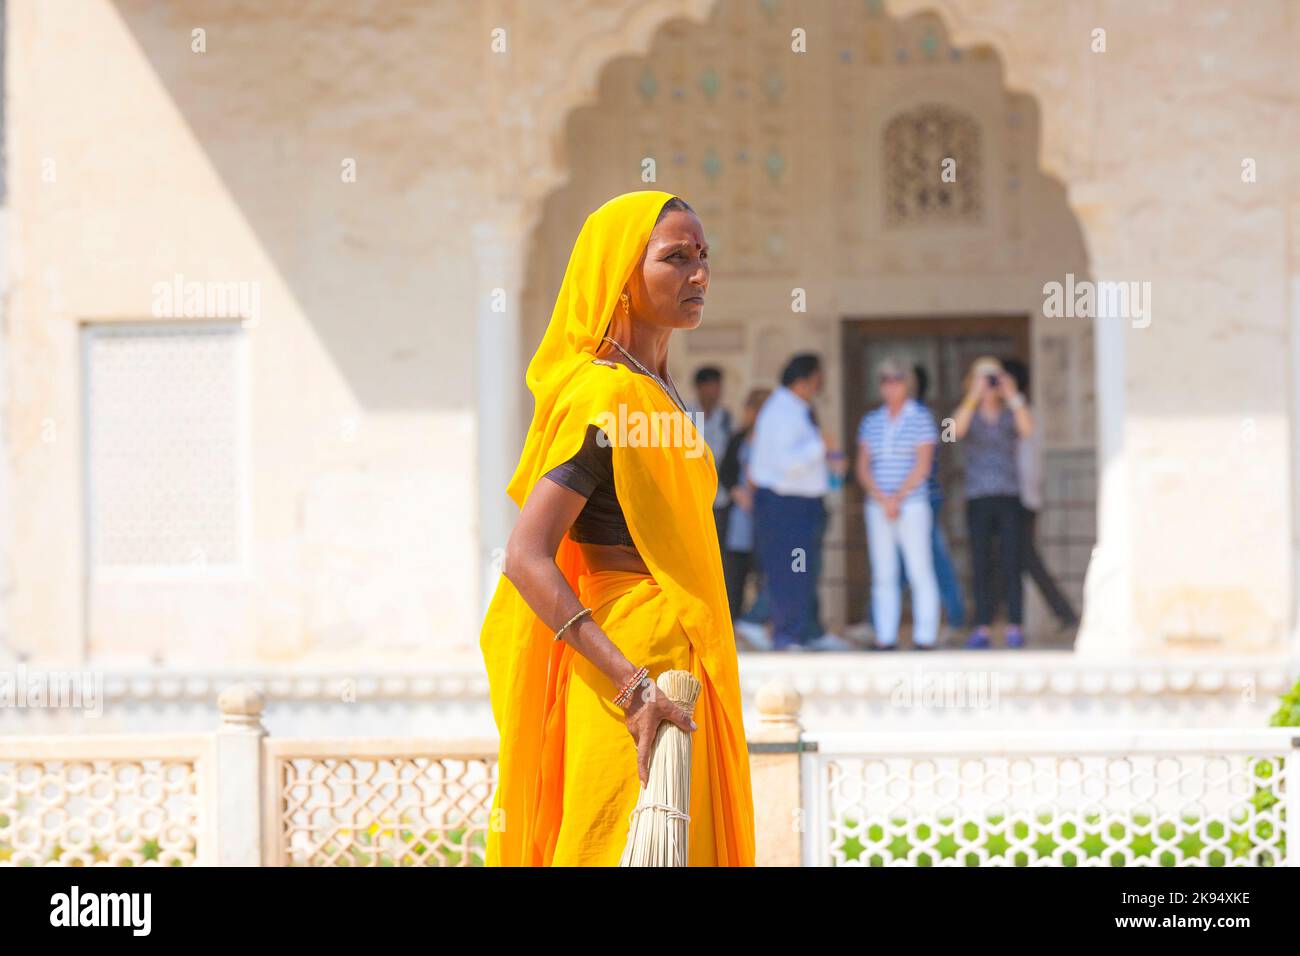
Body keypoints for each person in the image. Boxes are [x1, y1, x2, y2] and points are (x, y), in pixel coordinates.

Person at [479, 191, 755, 866]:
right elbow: (525, 556)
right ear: (622, 277)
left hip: (678, 661)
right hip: (630, 674)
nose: (699, 275)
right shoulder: (605, 397)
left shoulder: (657, 392)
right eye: (676, 258)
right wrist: (633, 688)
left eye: (703, 257)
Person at [746, 354, 851, 652]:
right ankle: (786, 635)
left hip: (803, 504)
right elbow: (787, 463)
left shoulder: (796, 409)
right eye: (818, 379)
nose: (821, 386)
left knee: (806, 570)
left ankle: (808, 632)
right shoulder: (780, 412)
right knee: (789, 570)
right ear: (804, 379)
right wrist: (821, 445)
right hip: (784, 504)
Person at [855, 358, 940, 650]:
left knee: (920, 569)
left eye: (897, 379)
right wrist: (882, 498)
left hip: (912, 503)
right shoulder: (871, 421)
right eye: (885, 379)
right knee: (883, 572)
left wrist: (897, 497)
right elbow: (863, 467)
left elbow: (923, 465)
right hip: (878, 506)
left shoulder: (921, 418)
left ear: (907, 384)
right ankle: (885, 636)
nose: (890, 385)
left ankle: (925, 636)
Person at [951, 355, 1034, 649]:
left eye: (993, 377)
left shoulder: (1011, 412)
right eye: (983, 376)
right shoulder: (968, 413)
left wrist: (1012, 395)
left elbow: (1028, 429)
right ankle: (982, 626)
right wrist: (973, 396)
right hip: (978, 496)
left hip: (1009, 494)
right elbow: (952, 432)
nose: (989, 383)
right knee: (980, 561)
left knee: (1011, 561)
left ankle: (1015, 625)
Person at [1000, 357, 1080, 633]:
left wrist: (1027, 495)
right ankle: (1061, 613)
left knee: (1024, 559)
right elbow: (952, 432)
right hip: (1010, 498)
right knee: (1017, 559)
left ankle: (1063, 613)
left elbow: (1029, 460)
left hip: (1021, 499)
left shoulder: (1023, 413)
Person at [911, 364, 965, 634]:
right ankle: (875, 621)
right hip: (907, 502)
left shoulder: (922, 417)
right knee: (905, 561)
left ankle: (955, 618)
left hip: (923, 499)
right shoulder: (901, 416)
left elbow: (932, 459)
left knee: (934, 557)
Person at [718, 387, 771, 622]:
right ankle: (736, 626)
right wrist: (738, 493)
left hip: (766, 517)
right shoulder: (738, 438)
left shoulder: (774, 440)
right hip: (739, 518)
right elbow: (725, 472)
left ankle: (759, 624)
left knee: (766, 576)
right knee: (734, 577)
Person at [689, 366, 733, 544]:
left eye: (718, 387)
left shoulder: (725, 417)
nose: (715, 392)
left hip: (720, 496)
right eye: (711, 386)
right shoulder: (686, 415)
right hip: (694, 495)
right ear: (700, 388)